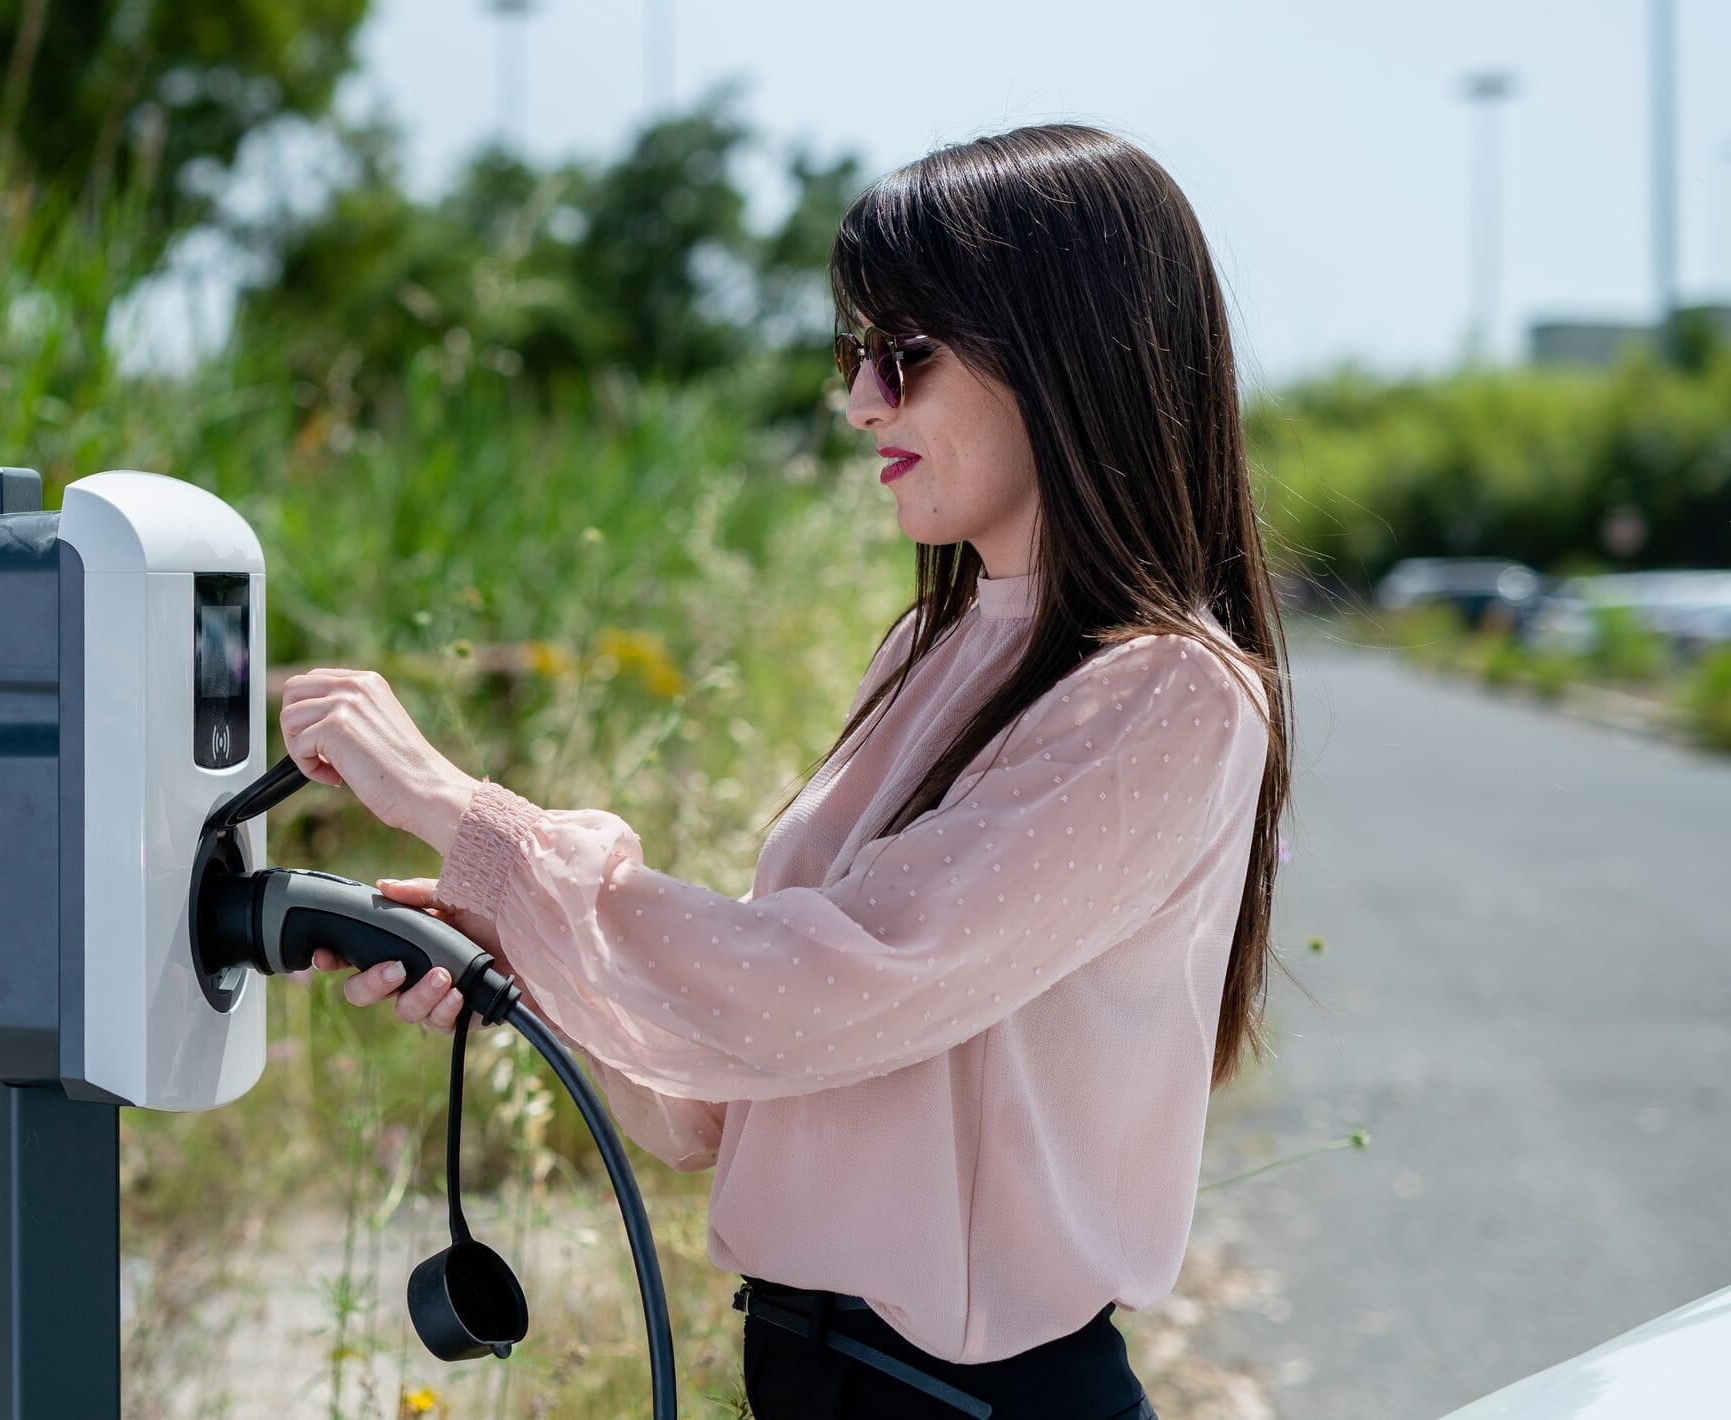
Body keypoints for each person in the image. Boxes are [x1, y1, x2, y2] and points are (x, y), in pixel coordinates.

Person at [277, 123, 1290, 1420]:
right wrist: (526, 948)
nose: (864, 400)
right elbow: (742, 1083)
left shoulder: (1167, 698)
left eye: (905, 354)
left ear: (1070, 354)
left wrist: (457, 808)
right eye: (854, 353)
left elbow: (821, 990)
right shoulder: (930, 649)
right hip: (816, 1374)